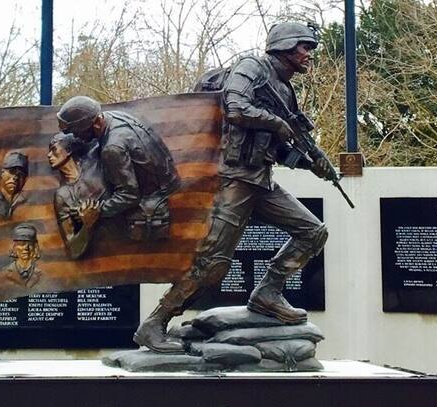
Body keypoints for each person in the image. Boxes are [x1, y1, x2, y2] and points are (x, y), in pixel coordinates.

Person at [133, 21, 336, 353]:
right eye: (305, 46)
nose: (309, 54)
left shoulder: (286, 90)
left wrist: (315, 163)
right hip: (235, 180)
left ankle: (267, 294)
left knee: (312, 232)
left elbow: (282, 149)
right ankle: (154, 324)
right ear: (284, 46)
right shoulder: (251, 66)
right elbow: (235, 107)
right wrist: (276, 122)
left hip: (261, 180)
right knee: (213, 263)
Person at [56, 96, 181, 241]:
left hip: (156, 197)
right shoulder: (113, 116)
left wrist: (96, 212)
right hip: (166, 179)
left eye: (76, 132)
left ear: (92, 125)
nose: (75, 137)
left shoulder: (112, 149)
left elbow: (129, 195)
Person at [48, 133, 105, 258]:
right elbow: (73, 248)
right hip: (101, 257)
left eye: (54, 149)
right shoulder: (62, 196)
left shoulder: (94, 163)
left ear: (68, 150)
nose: (49, 155)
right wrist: (87, 225)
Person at [0, 151, 30, 220]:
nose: (15, 177)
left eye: (20, 174)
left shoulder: (29, 205)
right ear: (2, 173)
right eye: (12, 172)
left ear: (25, 180)